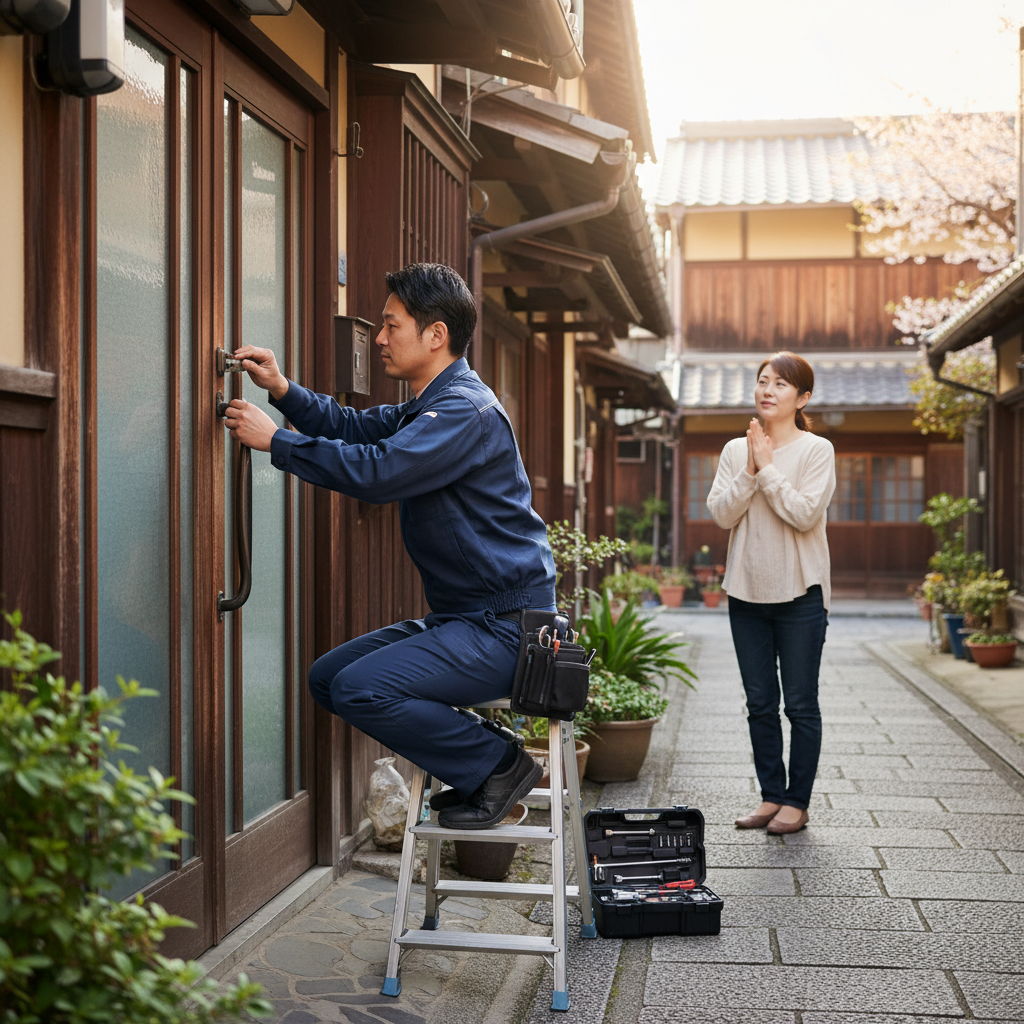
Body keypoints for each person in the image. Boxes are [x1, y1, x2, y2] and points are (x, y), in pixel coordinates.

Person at [222, 262, 552, 829]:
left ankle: (497, 765)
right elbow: (356, 428)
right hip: (464, 620)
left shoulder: (463, 412)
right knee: (328, 679)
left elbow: (379, 471)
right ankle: (486, 754)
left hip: (506, 629)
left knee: (360, 688)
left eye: (390, 325)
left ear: (436, 335)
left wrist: (276, 442)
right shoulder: (431, 404)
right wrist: (281, 390)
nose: (378, 337)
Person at [706, 351, 835, 835]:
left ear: (802, 397)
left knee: (800, 703)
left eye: (781, 384)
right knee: (759, 702)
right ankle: (770, 795)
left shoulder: (817, 450)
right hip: (746, 591)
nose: (768, 390)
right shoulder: (734, 451)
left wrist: (768, 468)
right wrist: (751, 468)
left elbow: (803, 513)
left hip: (801, 594)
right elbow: (721, 514)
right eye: (763, 381)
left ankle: (796, 803)